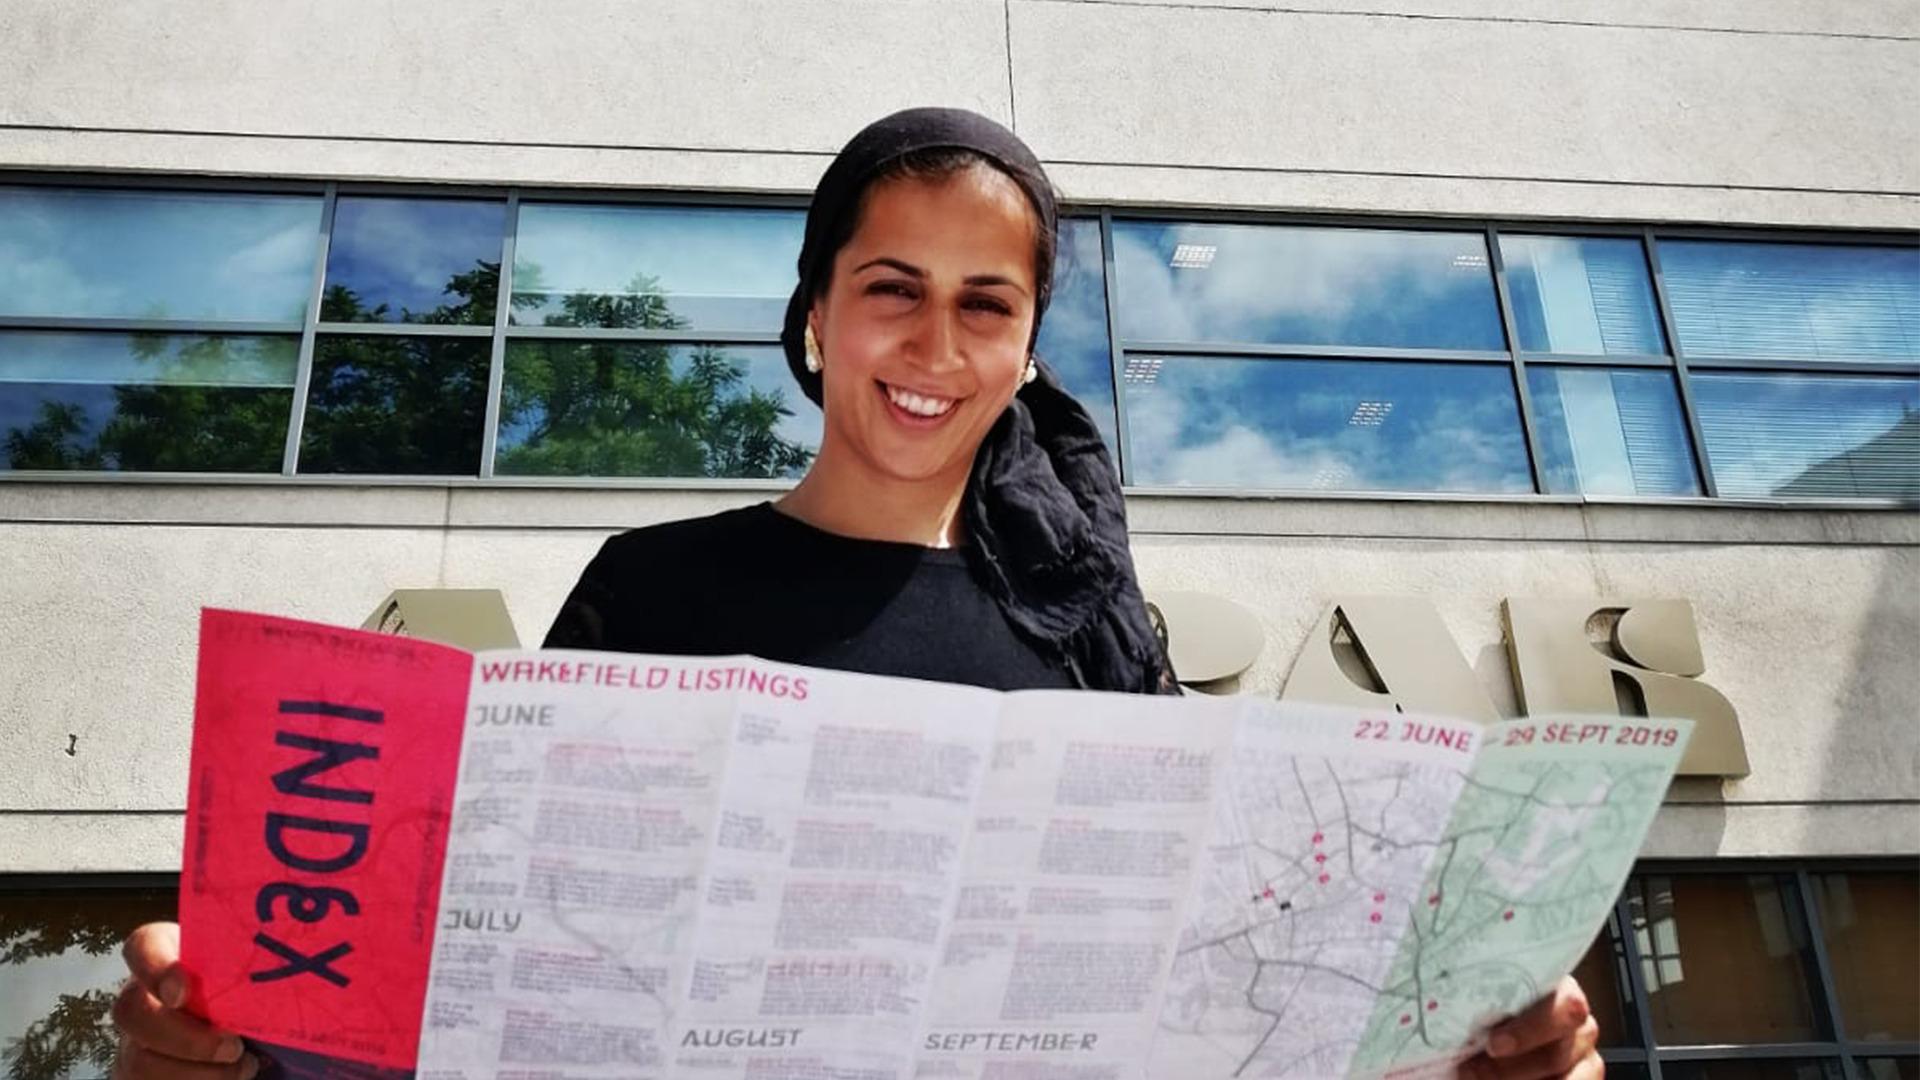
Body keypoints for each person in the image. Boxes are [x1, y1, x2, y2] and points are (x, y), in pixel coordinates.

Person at [108, 108, 1601, 1080]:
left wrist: (1487, 1060)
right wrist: (230, 1054)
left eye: (985, 304)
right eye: (893, 287)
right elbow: (494, 977)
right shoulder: (651, 591)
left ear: (1025, 347)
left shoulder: (1094, 640)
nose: (933, 344)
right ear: (817, 314)